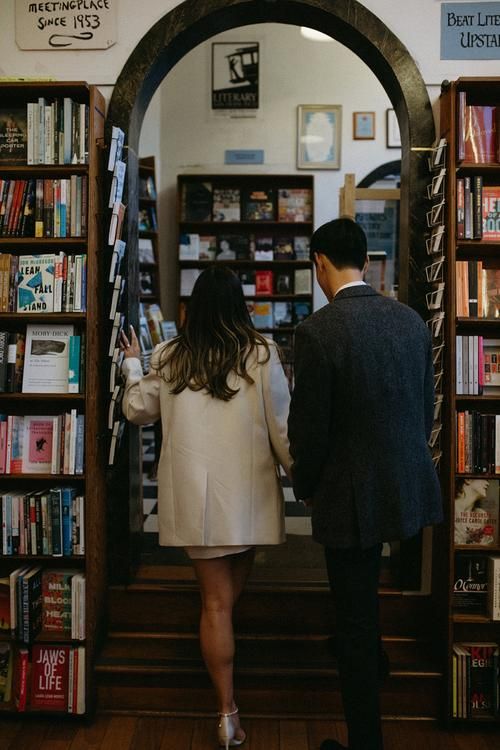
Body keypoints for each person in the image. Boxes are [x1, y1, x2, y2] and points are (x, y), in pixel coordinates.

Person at [120, 266, 291, 749]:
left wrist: (133, 364)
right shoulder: (262, 353)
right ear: (240, 305)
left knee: (215, 606)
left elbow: (136, 410)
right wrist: (305, 477)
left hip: (195, 501)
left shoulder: (172, 355)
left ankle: (225, 710)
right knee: (223, 605)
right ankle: (228, 708)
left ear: (193, 306)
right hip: (250, 498)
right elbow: (282, 427)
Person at [287, 218, 443, 750]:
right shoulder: (412, 323)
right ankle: (375, 670)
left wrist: (304, 484)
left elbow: (309, 431)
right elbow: (426, 413)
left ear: (320, 264)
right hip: (406, 487)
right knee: (365, 613)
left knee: (353, 622)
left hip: (348, 496)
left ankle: (365, 742)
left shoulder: (316, 331)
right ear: (370, 264)